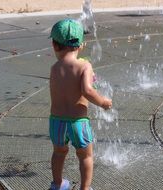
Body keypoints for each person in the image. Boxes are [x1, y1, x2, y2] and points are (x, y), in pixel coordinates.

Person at [49, 19, 112, 190]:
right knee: (85, 156)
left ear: (54, 45)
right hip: (78, 122)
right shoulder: (84, 65)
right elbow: (87, 91)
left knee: (59, 152)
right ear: (81, 45)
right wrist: (103, 102)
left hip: (56, 122)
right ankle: (85, 188)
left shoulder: (54, 68)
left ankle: (57, 184)